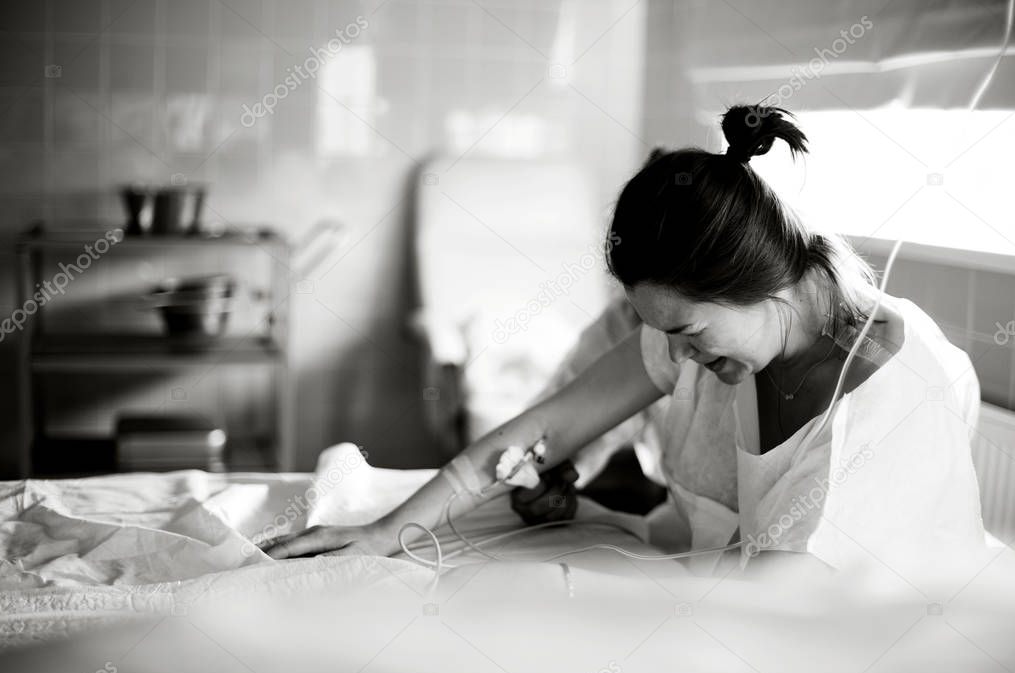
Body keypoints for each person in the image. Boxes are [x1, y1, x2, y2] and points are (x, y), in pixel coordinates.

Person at [260, 104, 985, 574]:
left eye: (686, 331)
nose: (675, 356)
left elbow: (784, 613)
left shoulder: (892, 392)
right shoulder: (724, 335)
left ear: (759, 284)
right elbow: (543, 427)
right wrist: (381, 537)